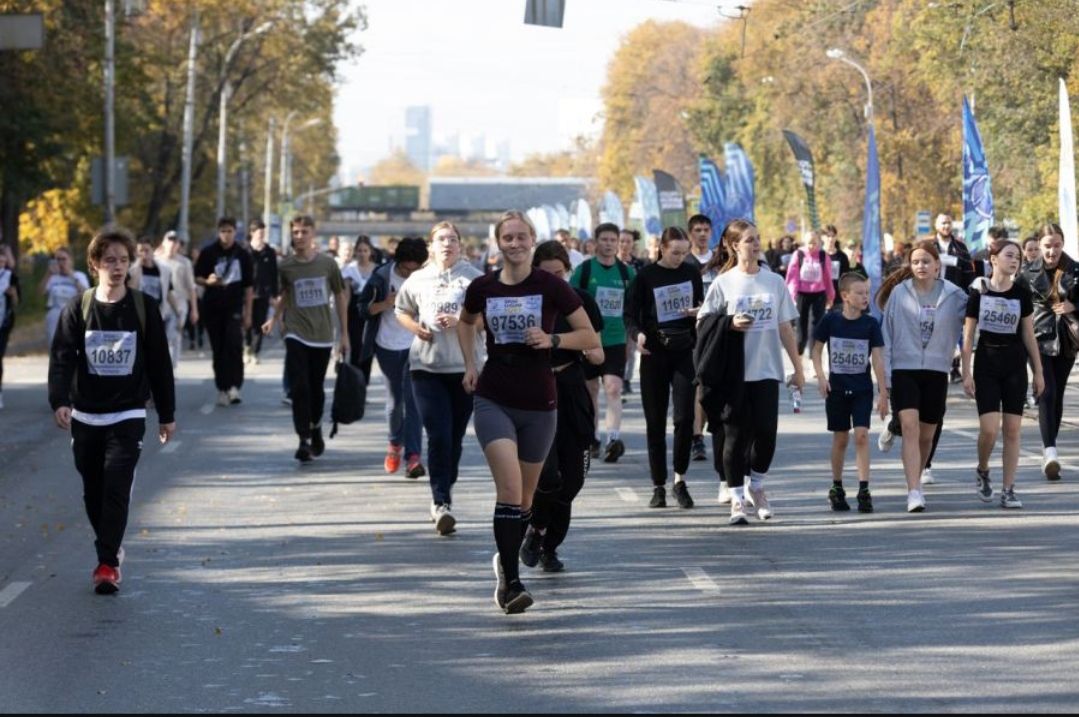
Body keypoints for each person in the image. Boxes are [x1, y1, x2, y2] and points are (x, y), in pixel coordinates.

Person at [457, 210, 599, 614]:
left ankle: (504, 563)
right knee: (509, 489)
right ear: (498, 243)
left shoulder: (551, 286)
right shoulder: (482, 287)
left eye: (522, 237)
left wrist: (552, 338)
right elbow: (466, 324)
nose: (515, 244)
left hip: (540, 401)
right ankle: (512, 585)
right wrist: (471, 362)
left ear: (532, 240)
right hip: (494, 397)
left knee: (526, 499)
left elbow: (588, 336)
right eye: (508, 238)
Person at [47, 226, 176, 594]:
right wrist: (60, 401)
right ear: (94, 264)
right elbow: (61, 359)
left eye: (123, 261)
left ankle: (106, 564)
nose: (117, 267)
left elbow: (159, 364)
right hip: (86, 414)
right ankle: (111, 546)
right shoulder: (79, 307)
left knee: (116, 486)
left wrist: (166, 414)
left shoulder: (142, 308)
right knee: (93, 489)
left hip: (128, 413)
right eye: (109, 261)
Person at [698, 220, 803, 525]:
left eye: (757, 239)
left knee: (766, 433)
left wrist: (797, 368)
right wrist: (729, 324)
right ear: (734, 246)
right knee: (734, 436)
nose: (755, 245)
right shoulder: (724, 282)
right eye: (748, 241)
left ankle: (757, 486)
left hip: (767, 369)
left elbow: (785, 327)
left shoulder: (774, 282)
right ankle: (737, 498)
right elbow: (704, 322)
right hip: (733, 372)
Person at [395, 222, 483, 534]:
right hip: (425, 368)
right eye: (441, 239)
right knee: (439, 435)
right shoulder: (419, 278)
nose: (447, 244)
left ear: (461, 245)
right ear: (431, 246)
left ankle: (445, 484)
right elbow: (400, 309)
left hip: (463, 367)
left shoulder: (473, 278)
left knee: (455, 438)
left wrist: (462, 319)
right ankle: (441, 501)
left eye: (452, 239)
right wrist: (415, 328)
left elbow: (487, 320)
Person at [520, 240, 603, 572]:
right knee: (548, 474)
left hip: (571, 388)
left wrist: (580, 348)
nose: (554, 279)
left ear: (567, 271)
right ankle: (538, 531)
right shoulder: (526, 305)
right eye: (547, 274)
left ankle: (549, 542)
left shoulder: (580, 302)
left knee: (573, 479)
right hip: (537, 391)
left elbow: (596, 351)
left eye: (560, 273)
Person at [878, 240, 967, 513]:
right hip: (905, 369)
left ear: (937, 265)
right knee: (910, 428)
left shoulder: (954, 295)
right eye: (915, 262)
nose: (921, 266)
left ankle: (919, 472)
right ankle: (913, 491)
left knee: (927, 435)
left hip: (937, 370)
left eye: (926, 261)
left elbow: (974, 321)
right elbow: (886, 338)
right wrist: (886, 381)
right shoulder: (899, 293)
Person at [624, 226, 704, 510]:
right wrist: (638, 335)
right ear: (662, 249)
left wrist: (698, 313)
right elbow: (630, 314)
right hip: (654, 352)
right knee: (655, 421)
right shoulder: (645, 276)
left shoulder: (691, 273)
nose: (680, 258)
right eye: (675, 253)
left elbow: (702, 308)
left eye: (684, 253)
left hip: (684, 352)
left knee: (684, 419)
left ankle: (679, 479)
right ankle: (658, 485)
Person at [962, 240, 1043, 507]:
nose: (1015, 261)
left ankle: (1009, 489)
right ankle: (983, 469)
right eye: (1009, 256)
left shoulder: (1021, 294)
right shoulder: (980, 292)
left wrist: (1038, 372)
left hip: (1015, 365)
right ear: (993, 259)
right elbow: (968, 335)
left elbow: (1029, 335)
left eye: (1018, 258)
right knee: (989, 429)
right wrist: (966, 371)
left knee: (1012, 429)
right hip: (986, 362)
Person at [262, 216, 348, 463]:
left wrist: (345, 334)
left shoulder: (328, 264)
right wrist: (274, 318)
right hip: (295, 331)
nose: (299, 236)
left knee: (316, 387)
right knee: (299, 386)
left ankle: (316, 427)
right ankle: (303, 439)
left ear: (313, 234)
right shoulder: (286, 266)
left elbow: (340, 297)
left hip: (321, 334)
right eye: (296, 232)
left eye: (304, 232)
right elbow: (285, 294)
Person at [811, 273, 888, 513]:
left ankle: (864, 489)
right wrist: (822, 378)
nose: (865, 297)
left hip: (862, 390)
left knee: (862, 435)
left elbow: (877, 360)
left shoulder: (871, 324)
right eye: (859, 293)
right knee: (841, 438)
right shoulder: (831, 321)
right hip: (836, 389)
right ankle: (837, 487)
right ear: (845, 296)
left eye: (867, 293)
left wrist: (883, 392)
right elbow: (816, 351)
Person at [358, 237, 429, 478]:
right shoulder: (381, 276)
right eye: (405, 269)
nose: (409, 274)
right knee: (395, 401)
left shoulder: (427, 278)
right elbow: (362, 308)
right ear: (396, 261)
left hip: (416, 345)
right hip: (386, 345)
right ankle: (394, 444)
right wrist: (384, 304)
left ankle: (413, 458)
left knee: (414, 400)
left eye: (414, 270)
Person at [1017, 223, 1079, 480]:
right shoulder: (1027, 273)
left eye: (1056, 245)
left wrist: (1073, 304)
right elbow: (1015, 302)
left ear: (1062, 244)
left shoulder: (1076, 270)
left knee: (1058, 393)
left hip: (1066, 338)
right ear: (1039, 246)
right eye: (1047, 246)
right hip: (1037, 338)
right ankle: (1050, 451)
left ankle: (1049, 447)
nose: (1052, 251)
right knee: (1046, 390)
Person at [571, 222, 635, 463]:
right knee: (591, 390)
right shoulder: (584, 271)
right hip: (589, 339)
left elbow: (632, 307)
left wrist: (631, 338)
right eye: (604, 239)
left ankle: (613, 440)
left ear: (618, 243)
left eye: (613, 240)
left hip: (616, 339)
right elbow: (571, 303)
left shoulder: (627, 273)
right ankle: (593, 437)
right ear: (595, 242)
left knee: (613, 388)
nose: (609, 244)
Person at [194, 217, 254, 406]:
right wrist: (207, 282)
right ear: (218, 232)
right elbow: (197, 277)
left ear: (235, 232)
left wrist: (248, 314)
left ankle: (235, 387)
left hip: (234, 307)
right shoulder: (208, 252)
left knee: (234, 345)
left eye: (229, 231)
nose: (226, 235)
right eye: (223, 231)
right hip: (212, 308)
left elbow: (249, 287)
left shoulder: (243, 255)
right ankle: (222, 387)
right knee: (218, 349)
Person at [685, 213, 717, 463]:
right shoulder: (684, 261)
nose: (703, 234)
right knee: (699, 385)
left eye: (706, 229)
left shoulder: (721, 262)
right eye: (698, 230)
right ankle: (697, 437)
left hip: (718, 330)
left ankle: (712, 429)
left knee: (712, 387)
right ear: (690, 234)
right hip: (692, 331)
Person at [128, 236, 179, 366]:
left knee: (157, 347)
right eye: (141, 251)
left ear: (152, 250)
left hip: (158, 313)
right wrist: (138, 268)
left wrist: (178, 312)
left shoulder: (164, 270)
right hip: (139, 314)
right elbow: (131, 290)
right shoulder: (132, 270)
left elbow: (168, 292)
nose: (144, 254)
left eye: (147, 250)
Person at [786, 230, 835, 360]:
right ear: (804, 242)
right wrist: (792, 295)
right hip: (802, 294)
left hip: (819, 294)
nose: (811, 246)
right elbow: (792, 277)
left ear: (819, 242)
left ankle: (813, 357)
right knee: (801, 328)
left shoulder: (823, 256)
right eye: (809, 243)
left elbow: (828, 277)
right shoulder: (799, 254)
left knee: (816, 326)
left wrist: (830, 296)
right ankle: (799, 356)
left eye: (814, 243)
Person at [155, 230, 198, 368]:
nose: (172, 244)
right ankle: (160, 366)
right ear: (164, 242)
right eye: (170, 240)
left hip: (179, 305)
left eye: (175, 241)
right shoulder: (156, 260)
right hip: (161, 305)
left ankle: (171, 368)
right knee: (160, 338)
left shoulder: (184, 262)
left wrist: (194, 310)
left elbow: (191, 287)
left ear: (179, 245)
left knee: (174, 336)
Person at [342, 235, 377, 383]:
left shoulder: (377, 270)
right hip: (354, 312)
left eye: (365, 250)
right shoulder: (349, 270)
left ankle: (364, 382)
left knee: (368, 349)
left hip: (371, 312)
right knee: (356, 348)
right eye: (360, 251)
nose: (362, 253)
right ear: (355, 252)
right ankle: (355, 383)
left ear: (370, 252)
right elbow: (345, 297)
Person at [245, 219, 278, 365]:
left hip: (263, 293)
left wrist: (275, 294)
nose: (262, 235)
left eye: (263, 233)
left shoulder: (269, 252)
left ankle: (255, 352)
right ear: (252, 233)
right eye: (259, 232)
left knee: (260, 324)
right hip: (247, 294)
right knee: (247, 322)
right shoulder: (245, 251)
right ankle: (246, 348)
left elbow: (274, 273)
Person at [42, 246, 90, 347]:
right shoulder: (52, 278)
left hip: (73, 315)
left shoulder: (79, 276)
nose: (60, 262)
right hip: (55, 314)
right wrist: (48, 274)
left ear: (71, 260)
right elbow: (40, 293)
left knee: (73, 346)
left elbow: (87, 295)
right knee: (54, 346)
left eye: (63, 259)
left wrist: (71, 276)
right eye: (57, 259)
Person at [618, 229, 646, 395]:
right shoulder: (610, 264)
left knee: (630, 349)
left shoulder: (639, 264)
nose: (624, 245)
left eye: (628, 241)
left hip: (632, 312)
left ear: (633, 243)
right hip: (612, 313)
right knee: (618, 349)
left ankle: (626, 380)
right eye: (621, 241)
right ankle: (616, 376)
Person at [0, 245, 21, 409]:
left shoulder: (10, 276)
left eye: (2, 259)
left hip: (3, 322)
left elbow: (17, 301)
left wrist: (12, 294)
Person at [823, 225, 851, 299]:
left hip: (838, 298)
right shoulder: (818, 255)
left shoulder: (842, 256)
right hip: (820, 298)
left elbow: (846, 277)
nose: (831, 239)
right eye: (828, 236)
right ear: (823, 237)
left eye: (833, 236)